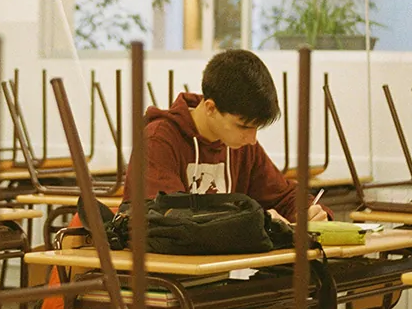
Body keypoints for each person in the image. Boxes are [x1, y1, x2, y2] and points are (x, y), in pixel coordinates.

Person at [135, 49, 329, 223]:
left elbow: (283, 196)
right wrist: (255, 219)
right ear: (210, 108)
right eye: (243, 127)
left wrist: (308, 211)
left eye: (256, 129)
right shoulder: (158, 140)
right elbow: (165, 217)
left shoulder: (242, 145)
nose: (252, 139)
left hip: (227, 261)